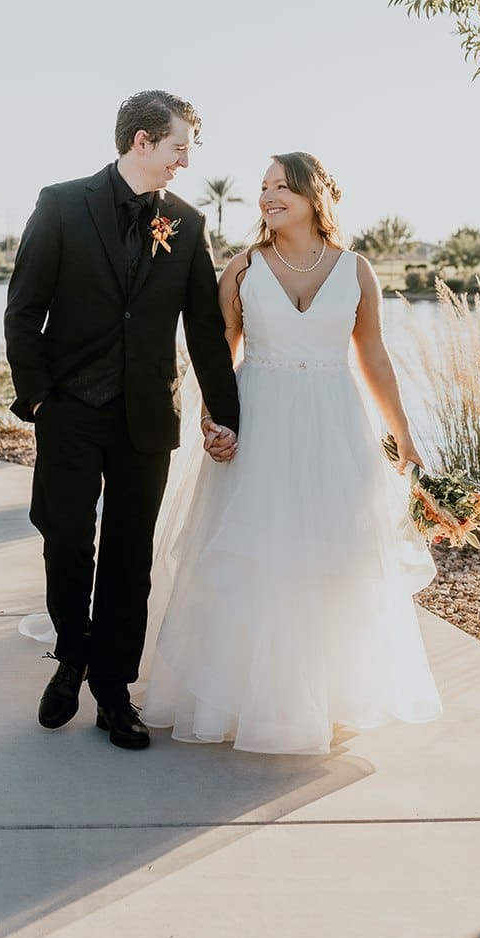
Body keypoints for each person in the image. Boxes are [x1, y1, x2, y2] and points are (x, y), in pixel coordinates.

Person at [136, 151, 443, 754]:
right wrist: (212, 421)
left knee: (329, 557)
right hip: (258, 423)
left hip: (334, 427)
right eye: (264, 187)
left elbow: (374, 357)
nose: (269, 196)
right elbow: (217, 352)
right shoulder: (243, 268)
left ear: (314, 196)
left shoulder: (356, 270)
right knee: (252, 555)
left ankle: (320, 697)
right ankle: (241, 698)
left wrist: (402, 432)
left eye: (283, 187)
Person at [5, 90, 241, 751]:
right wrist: (40, 399)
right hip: (69, 412)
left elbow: (204, 329)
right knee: (68, 542)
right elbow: (23, 310)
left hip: (146, 418)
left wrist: (225, 414)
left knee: (130, 559)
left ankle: (113, 692)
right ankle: (71, 657)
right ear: (142, 141)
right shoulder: (60, 204)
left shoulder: (189, 225)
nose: (184, 161)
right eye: (178, 146)